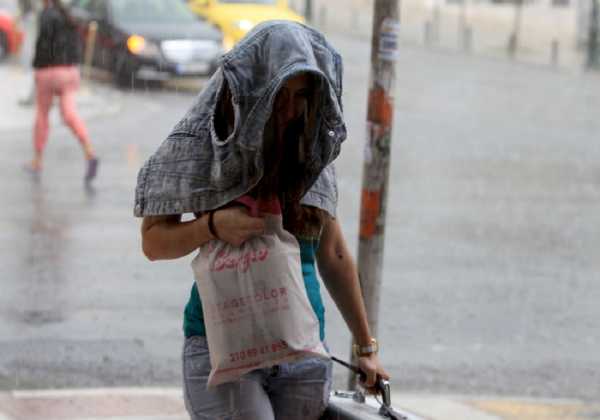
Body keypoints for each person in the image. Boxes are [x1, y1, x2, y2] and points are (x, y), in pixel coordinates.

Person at [134, 21, 389, 420]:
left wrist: (366, 348)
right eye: (278, 94)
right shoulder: (204, 145)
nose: (290, 109)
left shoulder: (312, 149)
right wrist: (212, 226)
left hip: (303, 350)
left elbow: (334, 253)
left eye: (301, 96)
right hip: (223, 345)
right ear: (250, 88)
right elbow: (153, 242)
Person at [26, 0, 98, 182]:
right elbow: (76, 42)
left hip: (48, 70)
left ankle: (37, 160)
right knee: (69, 113)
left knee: (42, 115)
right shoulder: (69, 15)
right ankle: (89, 150)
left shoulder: (47, 15)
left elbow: (43, 44)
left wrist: (37, 66)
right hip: (69, 71)